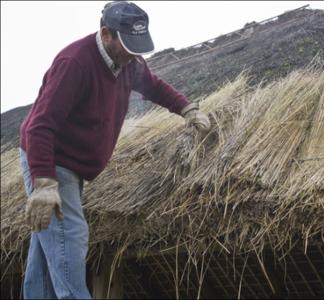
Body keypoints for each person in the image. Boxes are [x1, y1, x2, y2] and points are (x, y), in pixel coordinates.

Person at [19, 1, 210, 299]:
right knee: (69, 240)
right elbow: (39, 127)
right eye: (128, 45)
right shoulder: (75, 63)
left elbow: (154, 85)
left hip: (74, 166)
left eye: (138, 47)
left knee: (47, 252)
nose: (135, 54)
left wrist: (186, 108)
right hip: (51, 159)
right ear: (106, 33)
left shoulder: (130, 63)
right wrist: (44, 183)